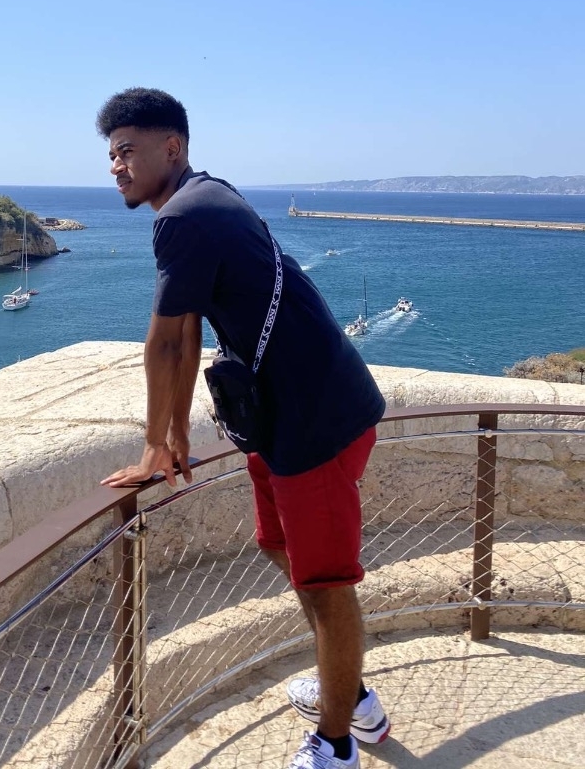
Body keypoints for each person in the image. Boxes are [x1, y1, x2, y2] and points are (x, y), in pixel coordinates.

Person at [96, 87, 389, 769]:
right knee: (279, 546)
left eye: (128, 151)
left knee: (327, 584)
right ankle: (351, 693)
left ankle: (338, 742)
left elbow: (162, 343)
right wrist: (173, 434)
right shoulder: (206, 196)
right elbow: (189, 329)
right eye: (111, 155)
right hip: (280, 418)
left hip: (315, 423)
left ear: (172, 147)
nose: (116, 167)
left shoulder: (184, 216)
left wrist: (152, 446)